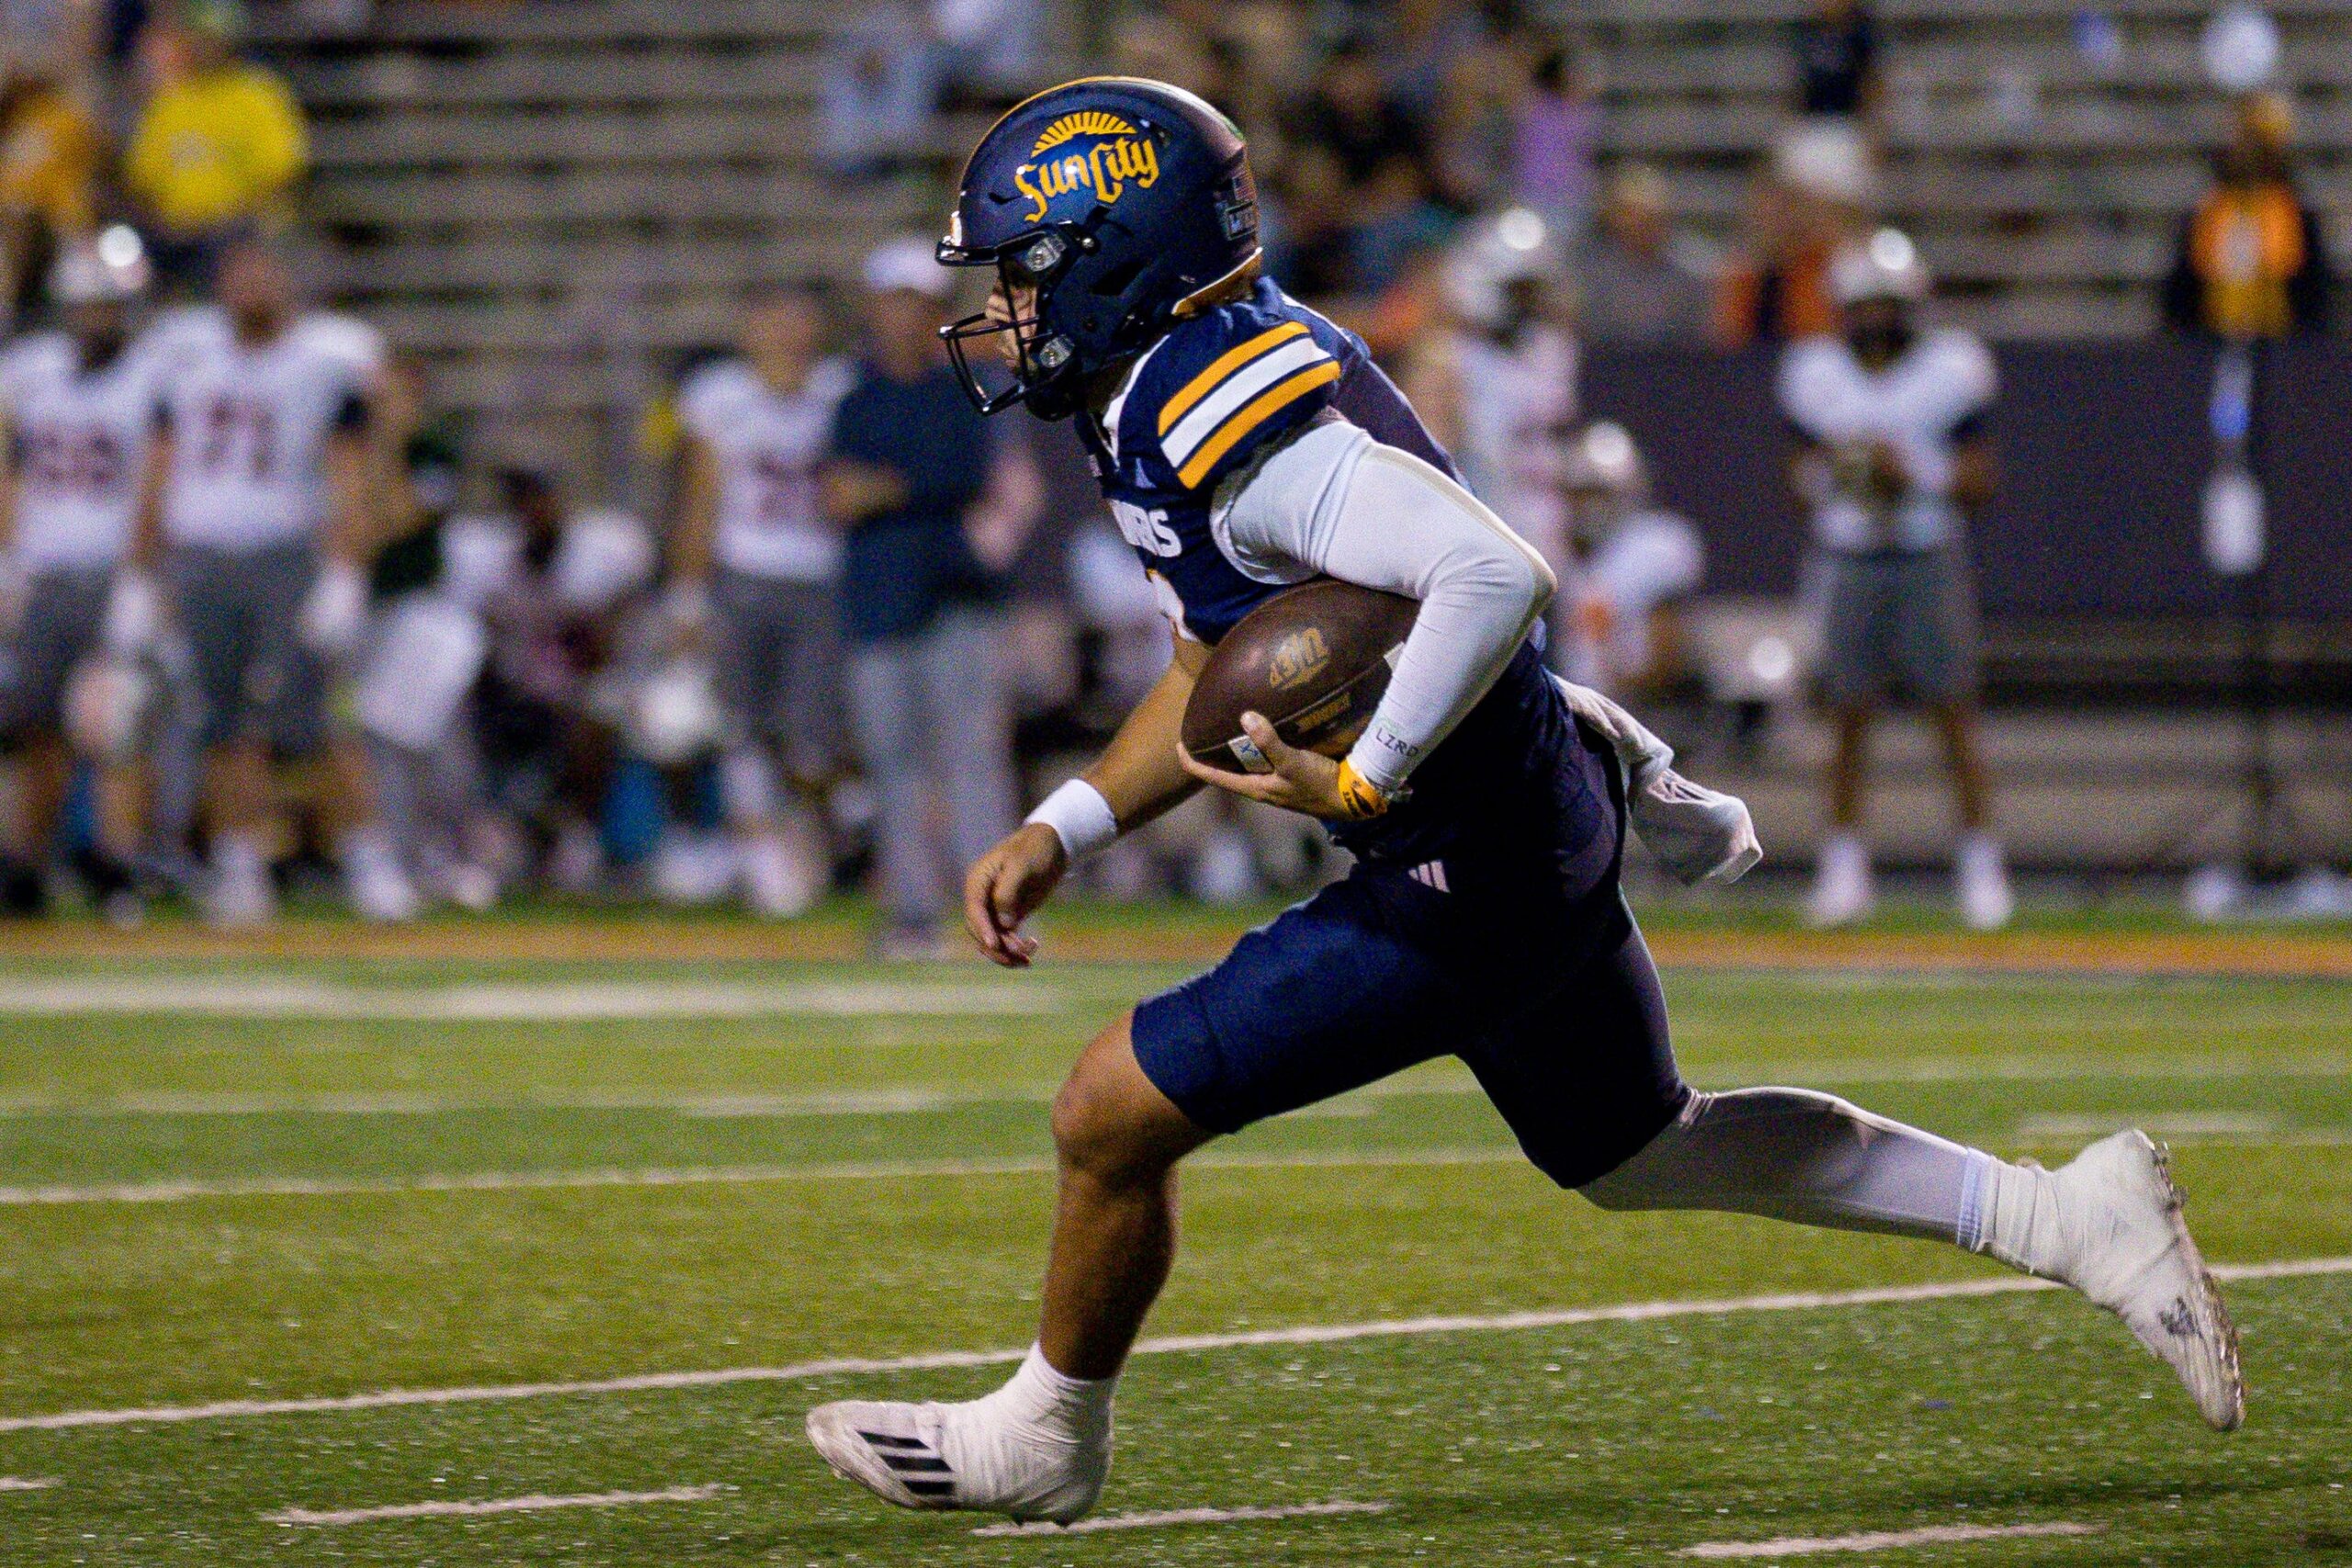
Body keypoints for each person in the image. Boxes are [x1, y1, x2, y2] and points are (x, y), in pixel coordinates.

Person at [803, 78, 2242, 1528]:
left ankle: (1044, 1433)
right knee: (1639, 1147)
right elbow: (1209, 654)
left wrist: (1366, 775)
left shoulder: (1207, 407)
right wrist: (1069, 822)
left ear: (1118, 256)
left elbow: (1493, 573)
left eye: (1026, 273)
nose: (1001, 311)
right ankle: (2064, 1211)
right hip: (1515, 813)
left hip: (1461, 860)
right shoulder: (1164, 381)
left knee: (1109, 1108)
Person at [127, 237, 414, 923]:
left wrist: (345, 568)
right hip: (200, 553)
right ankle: (237, 864)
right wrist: (139, 575)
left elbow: (350, 464)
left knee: (316, 718)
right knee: (218, 721)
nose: (250, 285)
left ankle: (370, 860)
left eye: (262, 272)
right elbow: (159, 464)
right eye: (238, 273)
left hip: (287, 552)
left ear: (287, 281)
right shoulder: (183, 350)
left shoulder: (326, 357)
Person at [1778, 228, 2010, 931]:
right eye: (1865, 303)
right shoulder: (1814, 370)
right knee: (1846, 717)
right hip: (1847, 555)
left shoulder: (1951, 367)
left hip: (1924, 550)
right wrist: (1846, 473)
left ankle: (1980, 867)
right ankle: (1845, 870)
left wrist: (1915, 473)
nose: (1877, 317)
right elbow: (1797, 480)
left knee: (1953, 713)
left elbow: (1978, 478)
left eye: (1888, 302)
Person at [824, 237, 1025, 957]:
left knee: (972, 759)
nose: (905, 317)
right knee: (892, 764)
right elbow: (836, 492)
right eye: (895, 302)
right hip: (879, 599)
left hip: (952, 597)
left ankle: (998, 903)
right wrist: (889, 490)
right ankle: (911, 912)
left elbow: (957, 476)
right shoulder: (852, 396)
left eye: (918, 303)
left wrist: (882, 489)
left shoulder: (961, 390)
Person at [669, 288, 854, 918]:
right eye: (776, 324)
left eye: (799, 325)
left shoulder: (839, 389)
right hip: (742, 572)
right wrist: (687, 597)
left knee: (810, 741)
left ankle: (802, 838)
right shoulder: (718, 395)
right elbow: (700, 498)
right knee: (740, 728)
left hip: (821, 576)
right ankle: (759, 854)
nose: (787, 340)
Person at [0, 232, 160, 918]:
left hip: (111, 571)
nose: (94, 318)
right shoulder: (32, 371)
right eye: (84, 305)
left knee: (115, 724)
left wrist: (140, 578)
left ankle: (119, 868)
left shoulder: (154, 375)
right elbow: (10, 467)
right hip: (43, 571)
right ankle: (25, 868)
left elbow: (158, 476)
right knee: (32, 725)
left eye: (106, 305)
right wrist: (9, 558)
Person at [121, 0, 307, 289]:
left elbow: (278, 176)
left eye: (214, 38)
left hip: (243, 232)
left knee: (229, 245)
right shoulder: (171, 100)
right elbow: (144, 182)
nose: (207, 46)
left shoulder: (258, 94)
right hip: (176, 239)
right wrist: (167, 224)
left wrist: (218, 219)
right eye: (200, 38)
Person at [2160, 91, 2332, 340]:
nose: (2249, 153)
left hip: (2281, 344)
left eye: (2258, 143)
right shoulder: (2210, 212)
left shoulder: (2294, 214)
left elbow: (2312, 292)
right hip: (2212, 341)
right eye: (2244, 142)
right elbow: (2184, 289)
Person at [1555, 421, 1703, 697]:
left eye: (1599, 493)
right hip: (1571, 708)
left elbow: (1666, 659)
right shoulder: (1558, 552)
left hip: (1637, 711)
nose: (1590, 506)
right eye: (1580, 494)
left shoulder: (1655, 545)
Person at [1573, 162, 1713, 345]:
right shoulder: (1588, 270)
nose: (1638, 224)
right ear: (1612, 218)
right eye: (1630, 214)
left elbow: (1702, 336)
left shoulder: (1690, 271)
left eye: (1648, 216)